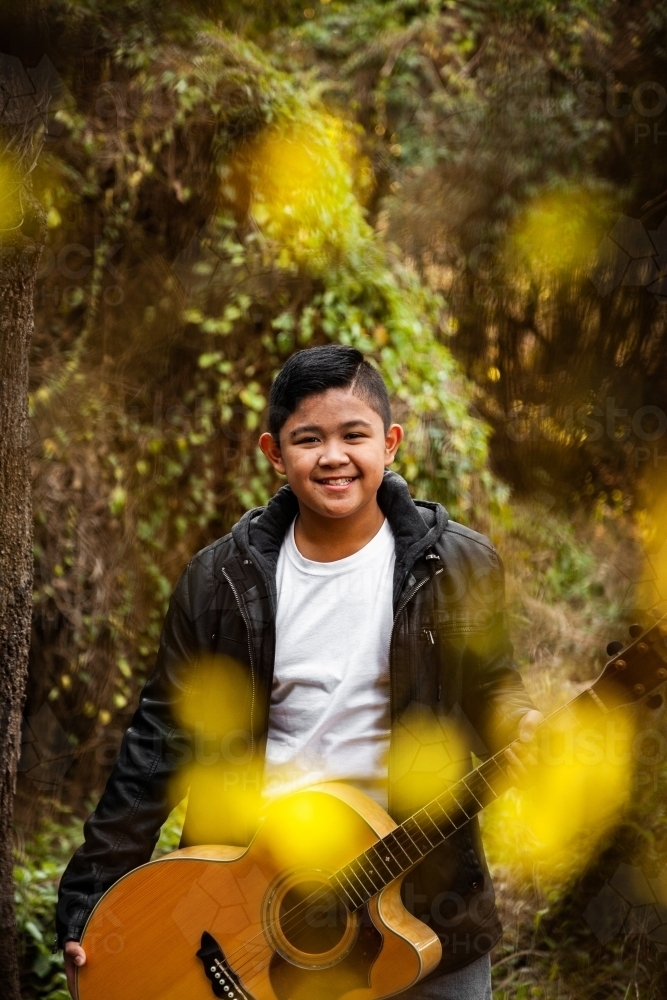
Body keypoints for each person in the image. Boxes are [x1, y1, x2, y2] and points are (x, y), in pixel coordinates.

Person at [57, 344, 542, 999]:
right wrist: (89, 904)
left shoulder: (458, 566)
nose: (333, 456)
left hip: (421, 904)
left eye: (354, 435)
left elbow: (494, 687)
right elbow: (158, 744)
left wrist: (522, 720)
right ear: (274, 453)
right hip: (248, 914)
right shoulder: (219, 580)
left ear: (390, 444)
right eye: (308, 438)